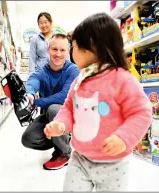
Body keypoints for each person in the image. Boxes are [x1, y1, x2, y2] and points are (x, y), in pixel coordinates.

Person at [44, 13, 152, 191]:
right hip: (80, 158)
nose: (72, 52)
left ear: (92, 47)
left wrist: (123, 138)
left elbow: (141, 113)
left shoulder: (122, 79)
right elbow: (69, 108)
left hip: (114, 163)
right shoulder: (80, 79)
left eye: (75, 46)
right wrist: (60, 124)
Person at [22, 33, 80, 170]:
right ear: (48, 49)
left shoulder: (73, 70)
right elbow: (33, 80)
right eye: (54, 49)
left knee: (54, 108)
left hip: (71, 116)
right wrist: (30, 93)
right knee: (28, 138)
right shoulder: (43, 71)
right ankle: (60, 141)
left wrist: (37, 102)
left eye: (62, 50)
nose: (58, 54)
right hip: (51, 116)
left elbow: (63, 97)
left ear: (68, 51)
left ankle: (65, 153)